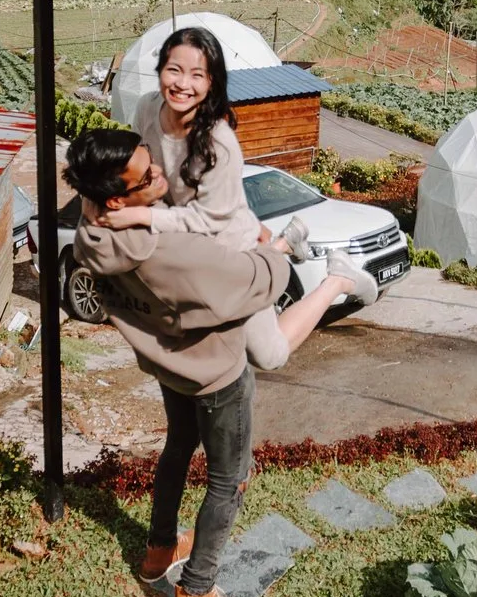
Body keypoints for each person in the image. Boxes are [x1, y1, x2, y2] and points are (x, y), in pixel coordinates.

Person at [65, 126, 370, 597]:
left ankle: (160, 548)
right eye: (149, 174)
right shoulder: (169, 254)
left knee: (178, 448)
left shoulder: (92, 232)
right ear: (118, 198)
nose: (160, 171)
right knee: (230, 480)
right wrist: (275, 249)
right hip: (214, 375)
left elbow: (96, 203)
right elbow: (258, 283)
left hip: (167, 363)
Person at [92, 25, 372, 367]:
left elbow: (212, 219)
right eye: (174, 70)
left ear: (212, 83)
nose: (182, 84)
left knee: (268, 355)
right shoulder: (148, 109)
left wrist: (141, 216)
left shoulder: (218, 142)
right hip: (190, 237)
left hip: (226, 245)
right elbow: (137, 168)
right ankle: (286, 241)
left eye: (197, 74)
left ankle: (338, 278)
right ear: (160, 70)